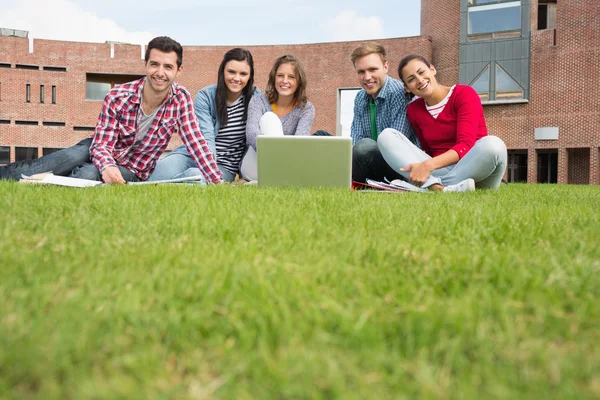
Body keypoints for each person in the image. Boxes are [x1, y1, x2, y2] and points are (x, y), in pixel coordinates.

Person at [0, 36, 221, 185]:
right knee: (72, 155)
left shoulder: (181, 99)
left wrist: (216, 181)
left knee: (87, 173)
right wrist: (106, 165)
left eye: (168, 67)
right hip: (100, 149)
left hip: (133, 168)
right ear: (146, 65)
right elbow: (102, 144)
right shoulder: (117, 96)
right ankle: (10, 175)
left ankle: (47, 182)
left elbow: (196, 143)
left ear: (178, 70)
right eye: (155, 64)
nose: (160, 72)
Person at [377, 54, 507, 192]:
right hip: (440, 170)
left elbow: (466, 145)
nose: (420, 80)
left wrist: (427, 166)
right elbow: (428, 150)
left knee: (494, 145)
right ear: (407, 88)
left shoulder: (464, 94)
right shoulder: (414, 110)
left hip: (475, 166)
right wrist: (428, 165)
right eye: (411, 79)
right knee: (386, 136)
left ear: (432, 69)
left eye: (421, 72)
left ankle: (431, 186)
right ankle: (440, 188)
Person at [149, 48, 258, 183]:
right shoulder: (206, 95)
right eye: (231, 72)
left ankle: (175, 184)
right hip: (191, 155)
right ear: (222, 71)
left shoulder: (256, 98)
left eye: (243, 74)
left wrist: (246, 176)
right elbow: (207, 137)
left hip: (223, 166)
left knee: (196, 176)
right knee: (157, 172)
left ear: (250, 76)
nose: (236, 78)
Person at [349, 42, 419, 183]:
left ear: (386, 67)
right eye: (361, 72)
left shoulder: (400, 93)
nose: (367, 77)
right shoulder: (360, 97)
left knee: (364, 148)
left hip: (399, 167)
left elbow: (394, 146)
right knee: (320, 137)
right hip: (368, 159)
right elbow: (356, 138)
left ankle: (351, 182)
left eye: (373, 69)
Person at [239, 54, 315, 181]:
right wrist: (276, 155)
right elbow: (251, 134)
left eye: (291, 77)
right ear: (274, 78)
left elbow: (300, 142)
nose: (284, 81)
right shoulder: (258, 101)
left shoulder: (306, 108)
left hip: (288, 165)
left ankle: (275, 177)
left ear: (299, 81)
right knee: (269, 118)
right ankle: (278, 175)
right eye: (280, 76)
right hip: (255, 164)